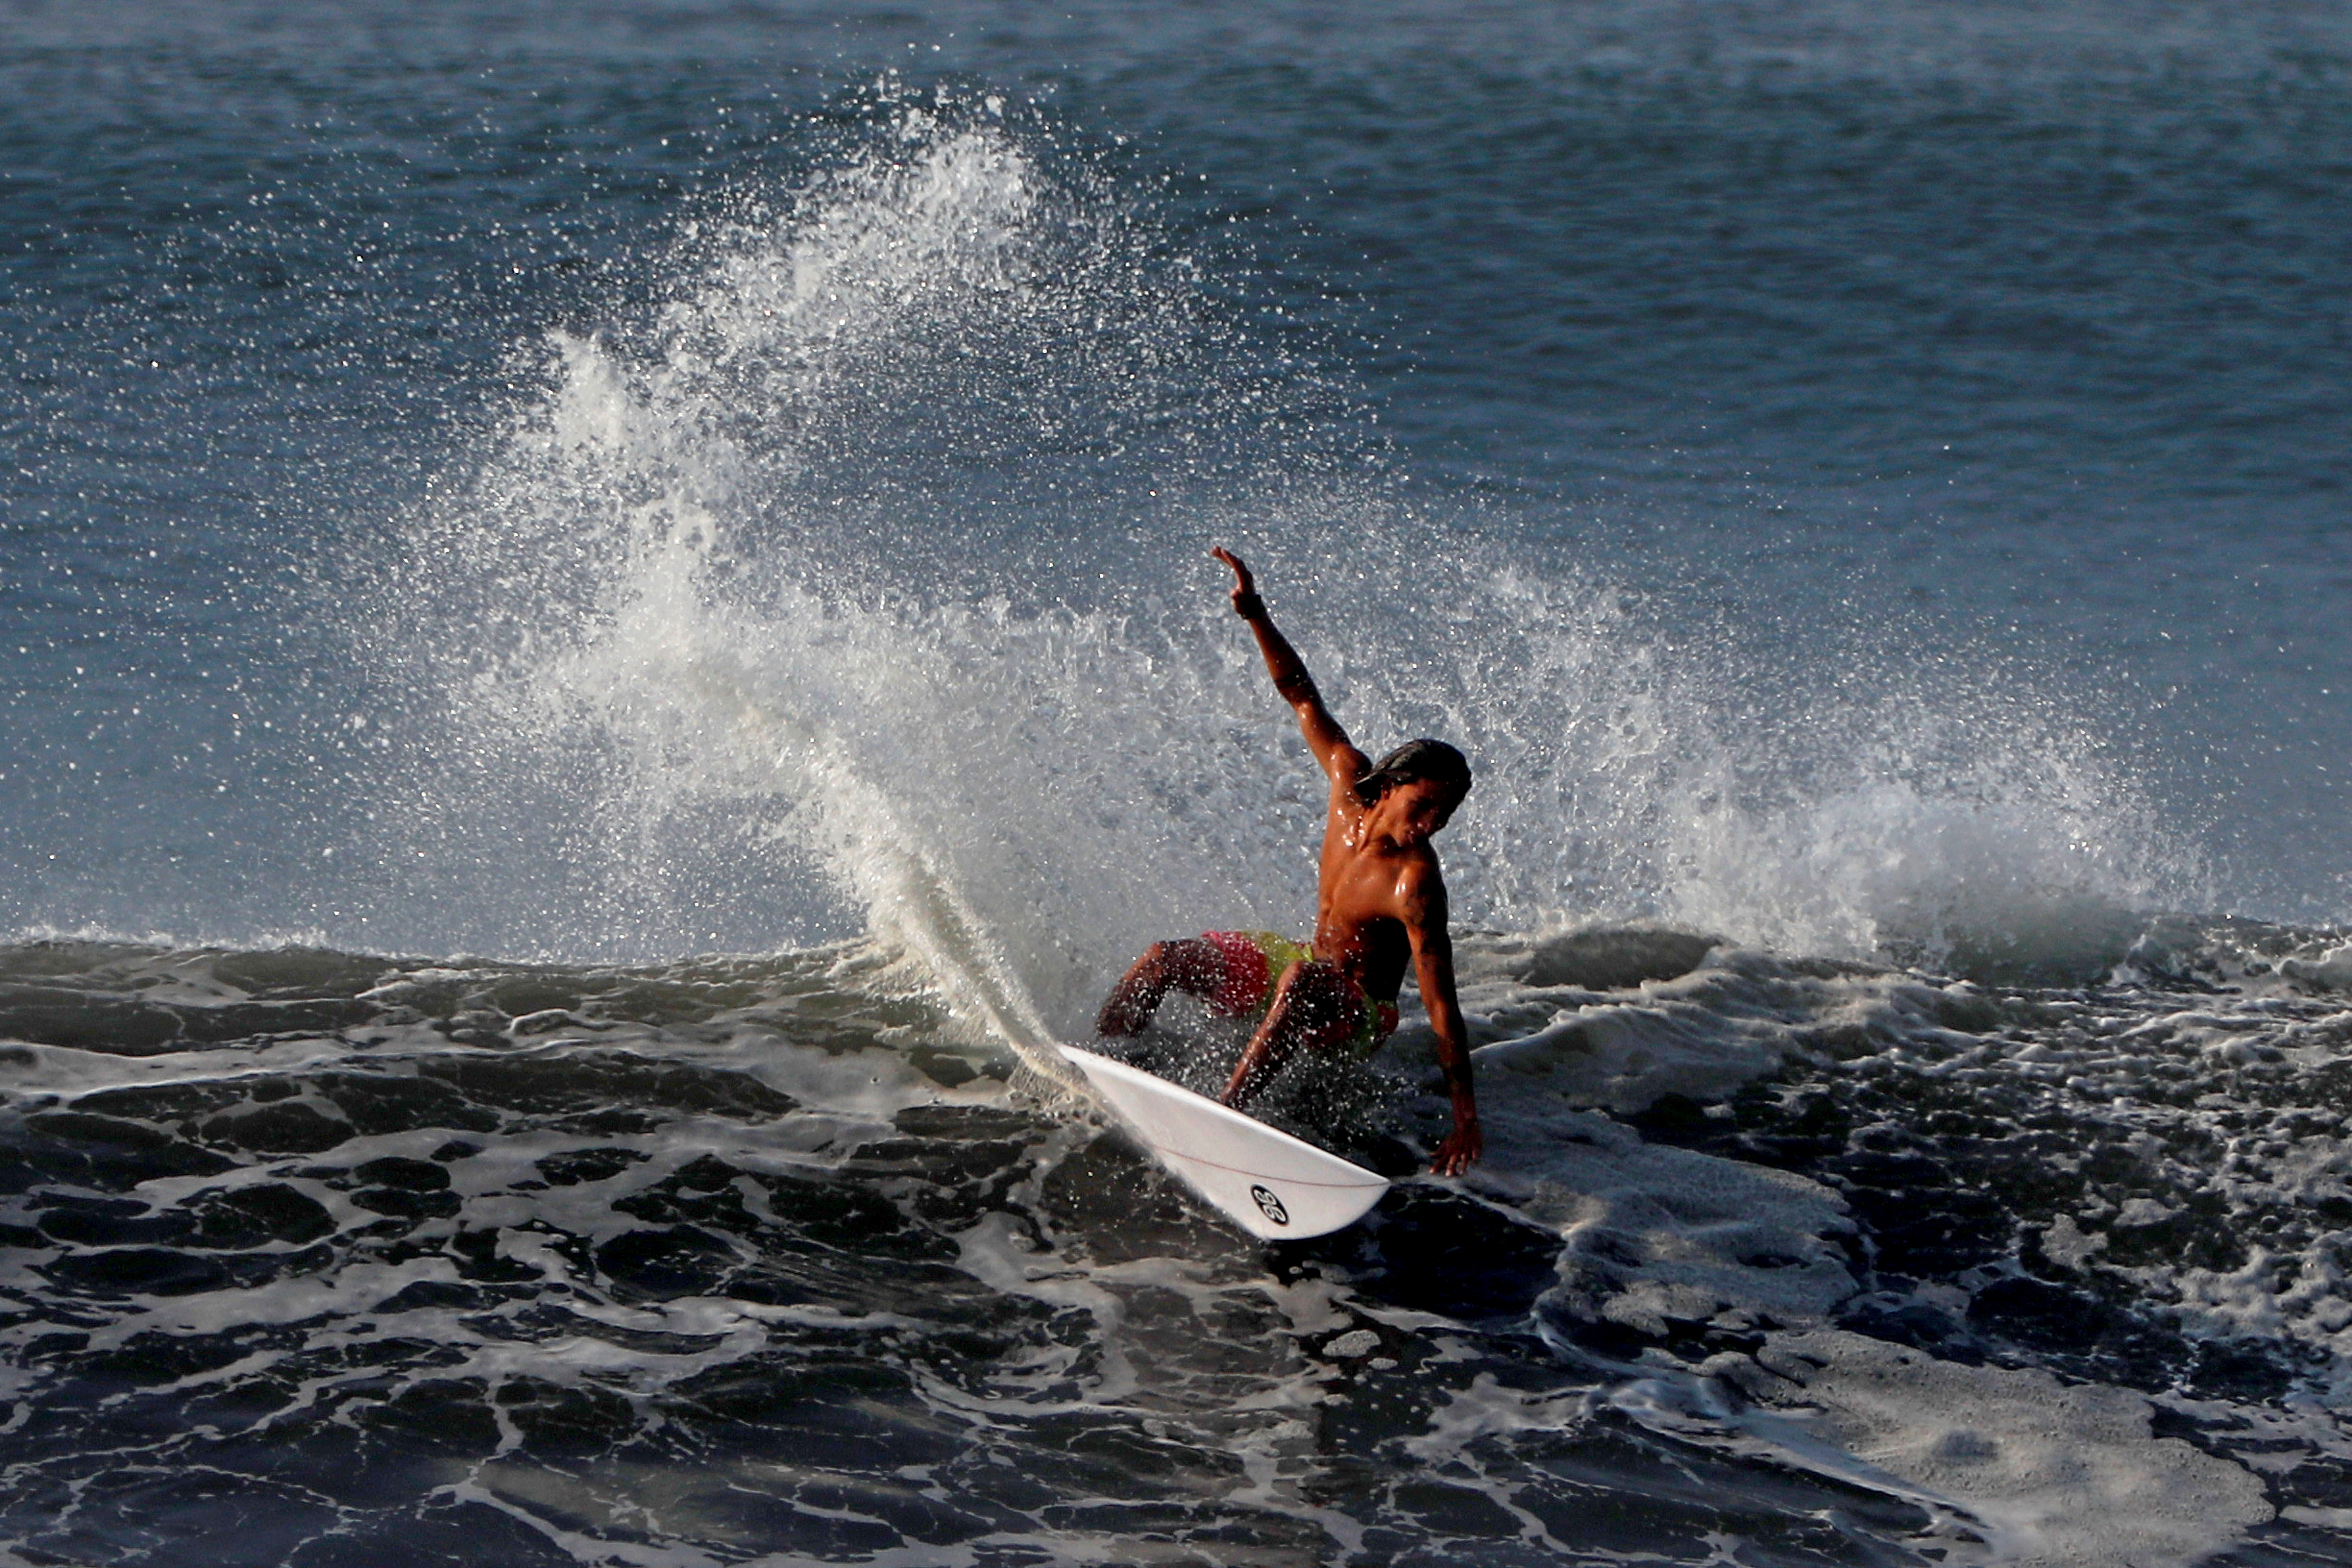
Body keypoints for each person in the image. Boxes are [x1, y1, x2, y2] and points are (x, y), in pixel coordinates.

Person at [1096, 548, 1482, 1176]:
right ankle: (1106, 1064)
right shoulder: (1347, 782)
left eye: (1447, 813)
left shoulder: (1415, 883)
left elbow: (1441, 1002)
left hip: (1358, 1013)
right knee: (1164, 958)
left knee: (1301, 985)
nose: (1433, 823)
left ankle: (1227, 1125)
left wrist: (1465, 1117)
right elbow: (1301, 695)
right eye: (1426, 804)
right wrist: (1255, 615)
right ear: (1393, 783)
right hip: (1298, 966)